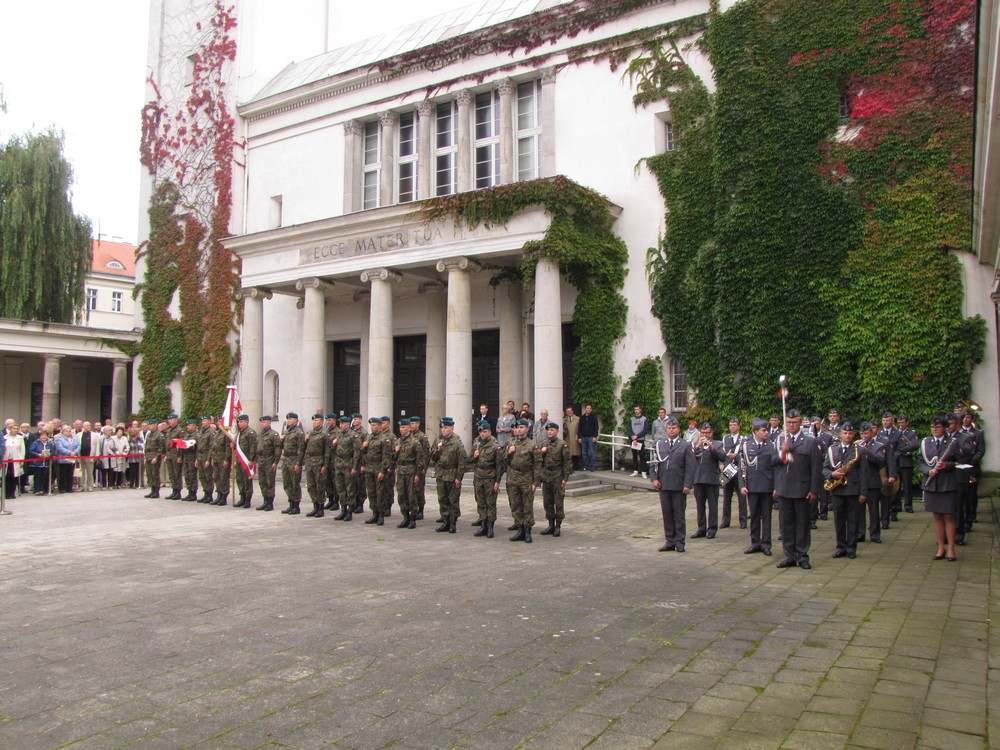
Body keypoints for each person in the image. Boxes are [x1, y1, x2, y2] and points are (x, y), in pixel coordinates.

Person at [773, 409, 823, 570]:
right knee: (786, 524)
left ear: (800, 423)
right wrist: (783, 451)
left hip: (802, 489)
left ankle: (802, 555)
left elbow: (816, 468)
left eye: (794, 423)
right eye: (788, 423)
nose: (791, 425)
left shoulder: (810, 442)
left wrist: (814, 490)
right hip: (784, 488)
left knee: (802, 524)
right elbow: (772, 463)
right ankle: (789, 555)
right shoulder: (780, 440)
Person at [918, 414, 963, 561]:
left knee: (949, 516)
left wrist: (947, 465)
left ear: (944, 428)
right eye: (932, 427)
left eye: (937, 427)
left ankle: (951, 549)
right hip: (932, 484)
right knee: (937, 516)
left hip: (947, 484)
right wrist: (928, 471)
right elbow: (921, 462)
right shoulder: (926, 442)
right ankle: (940, 548)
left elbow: (960, 461)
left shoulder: (952, 442)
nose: (934, 430)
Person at [649, 416, 695, 552]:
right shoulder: (660, 444)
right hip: (664, 485)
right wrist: (654, 479)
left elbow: (690, 467)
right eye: (669, 428)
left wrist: (688, 484)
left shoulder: (685, 445)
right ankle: (669, 540)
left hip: (679, 486)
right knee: (667, 514)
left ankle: (680, 541)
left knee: (679, 515)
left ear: (679, 429)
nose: (671, 430)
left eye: (673, 428)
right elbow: (653, 464)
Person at [822, 422, 864, 559]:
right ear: (840, 434)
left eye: (850, 433)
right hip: (837, 489)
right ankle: (840, 546)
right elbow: (825, 468)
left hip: (852, 489)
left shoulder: (858, 450)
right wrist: (832, 475)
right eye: (845, 433)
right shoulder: (832, 449)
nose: (848, 436)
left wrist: (863, 492)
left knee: (852, 520)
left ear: (854, 435)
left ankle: (851, 548)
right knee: (838, 520)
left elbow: (864, 473)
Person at [738, 418, 778, 556]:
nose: (766, 432)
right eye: (763, 430)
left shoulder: (771, 446)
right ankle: (755, 542)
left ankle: (766, 544)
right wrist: (742, 485)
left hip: (767, 485)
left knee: (766, 517)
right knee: (754, 515)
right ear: (756, 432)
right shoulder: (746, 446)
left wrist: (775, 487)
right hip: (752, 485)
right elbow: (742, 467)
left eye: (767, 430)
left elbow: (775, 468)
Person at [690, 422, 727, 540]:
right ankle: (701, 528)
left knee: (713, 506)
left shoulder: (718, 444)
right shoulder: (696, 444)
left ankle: (712, 529)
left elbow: (723, 457)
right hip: (698, 479)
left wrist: (712, 448)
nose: (705, 435)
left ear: (712, 433)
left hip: (711, 479)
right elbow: (690, 457)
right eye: (703, 433)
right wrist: (697, 446)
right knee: (700, 506)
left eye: (707, 433)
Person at [505, 418, 540, 542]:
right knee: (515, 505)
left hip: (526, 478)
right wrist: (508, 453)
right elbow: (505, 462)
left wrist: (535, 482)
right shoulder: (511, 443)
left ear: (527, 429)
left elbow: (537, 465)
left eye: (521, 427)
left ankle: (527, 531)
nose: (518, 430)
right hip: (513, 478)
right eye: (517, 428)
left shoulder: (532, 445)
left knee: (527, 506)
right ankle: (519, 529)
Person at [430, 416, 466, 533]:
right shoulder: (438, 440)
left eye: (446, 428)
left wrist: (459, 478)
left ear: (451, 428)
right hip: (441, 474)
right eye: (442, 428)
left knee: (453, 500)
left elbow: (462, 461)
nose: (443, 430)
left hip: (452, 474)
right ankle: (445, 521)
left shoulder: (457, 442)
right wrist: (438, 449)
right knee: (442, 499)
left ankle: (453, 523)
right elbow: (433, 458)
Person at [471, 420, 504, 538]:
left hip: (490, 477)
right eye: (481, 432)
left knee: (490, 503)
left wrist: (497, 481)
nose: (482, 434)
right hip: (479, 476)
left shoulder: (495, 446)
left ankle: (490, 526)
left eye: (485, 432)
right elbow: (471, 460)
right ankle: (483, 524)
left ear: (489, 432)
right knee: (481, 502)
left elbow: (500, 465)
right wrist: (474, 457)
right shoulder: (477, 444)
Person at [539, 421, 572, 537]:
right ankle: (550, 524)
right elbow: (538, 461)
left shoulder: (562, 445)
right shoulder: (543, 444)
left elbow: (567, 463)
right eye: (548, 430)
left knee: (558, 502)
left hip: (557, 476)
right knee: (547, 502)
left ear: (557, 431)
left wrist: (565, 479)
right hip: (546, 476)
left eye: (552, 430)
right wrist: (541, 453)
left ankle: (558, 526)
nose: (550, 432)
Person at [857, 422, 888, 544]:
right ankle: (860, 533)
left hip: (873, 481)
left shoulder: (879, 445)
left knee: (874, 510)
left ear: (871, 432)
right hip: (860, 482)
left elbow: (880, 461)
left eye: (866, 433)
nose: (864, 435)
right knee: (859, 510)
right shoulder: (857, 445)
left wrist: (866, 452)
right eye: (862, 433)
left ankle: (875, 534)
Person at [394, 419, 427, 529]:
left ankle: (413, 517)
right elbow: (392, 458)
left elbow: (420, 460)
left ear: (409, 428)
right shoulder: (398, 441)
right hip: (400, 472)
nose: (401, 429)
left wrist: (418, 475)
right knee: (401, 495)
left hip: (411, 471)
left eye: (404, 427)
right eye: (400, 427)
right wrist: (396, 452)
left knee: (411, 495)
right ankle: (405, 517)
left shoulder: (415, 442)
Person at [331, 416, 361, 521]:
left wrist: (355, 467)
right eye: (340, 424)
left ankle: (349, 510)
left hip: (349, 464)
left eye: (342, 424)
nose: (340, 425)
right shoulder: (339, 435)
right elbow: (334, 451)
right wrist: (334, 444)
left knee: (350, 489)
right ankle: (343, 509)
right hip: (339, 465)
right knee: (340, 488)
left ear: (348, 424)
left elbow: (357, 453)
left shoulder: (353, 436)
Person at [960, 409, 985, 530]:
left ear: (971, 419)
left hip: (973, 467)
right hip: (961, 467)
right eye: (964, 417)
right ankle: (963, 518)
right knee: (962, 494)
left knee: (971, 494)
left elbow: (981, 450)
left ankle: (971, 516)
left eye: (968, 417)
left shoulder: (978, 433)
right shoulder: (958, 432)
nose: (966, 419)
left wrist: (972, 461)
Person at [876, 412, 901, 524]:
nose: (885, 422)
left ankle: (891, 514)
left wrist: (892, 474)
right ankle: (881, 518)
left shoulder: (896, 433)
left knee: (890, 493)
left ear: (892, 421)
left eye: (887, 420)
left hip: (891, 466)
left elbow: (899, 449)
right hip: (876, 471)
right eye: (884, 420)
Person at [304, 413, 330, 518]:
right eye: (314, 420)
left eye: (317, 420)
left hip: (319, 461)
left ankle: (320, 507)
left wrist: (325, 465)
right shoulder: (310, 433)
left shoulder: (324, 434)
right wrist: (305, 440)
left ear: (322, 422)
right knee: (311, 485)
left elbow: (327, 451)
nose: (315, 422)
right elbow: (305, 448)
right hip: (310, 462)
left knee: (320, 486)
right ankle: (315, 506)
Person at [721, 418, 745, 529]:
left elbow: (744, 454)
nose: (732, 426)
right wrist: (721, 464)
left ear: (738, 426)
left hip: (738, 469)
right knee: (726, 496)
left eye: (734, 424)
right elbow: (722, 453)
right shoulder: (725, 438)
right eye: (731, 425)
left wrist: (737, 456)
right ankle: (725, 521)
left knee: (742, 497)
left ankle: (743, 520)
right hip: (728, 469)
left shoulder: (743, 439)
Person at [255, 415, 283, 511]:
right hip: (261, 460)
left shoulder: (273, 434)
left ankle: (270, 503)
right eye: (261, 422)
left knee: (269, 482)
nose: (262, 424)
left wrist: (275, 462)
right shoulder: (260, 434)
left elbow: (278, 449)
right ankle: (265, 501)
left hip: (269, 460)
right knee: (262, 482)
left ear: (269, 423)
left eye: (264, 422)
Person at [280, 412, 305, 514]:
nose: (289, 421)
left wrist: (298, 463)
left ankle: (296, 505)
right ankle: (290, 503)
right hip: (286, 460)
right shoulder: (287, 432)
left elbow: (300, 449)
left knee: (295, 483)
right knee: (287, 483)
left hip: (294, 459)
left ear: (295, 420)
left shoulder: (299, 432)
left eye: (291, 419)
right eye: (288, 419)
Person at [895, 414, 919, 514]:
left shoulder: (911, 433)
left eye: (903, 422)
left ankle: (908, 505)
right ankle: (897, 505)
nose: (901, 424)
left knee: (907, 485)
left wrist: (902, 449)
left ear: (907, 423)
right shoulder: (895, 433)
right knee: (896, 486)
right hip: (896, 462)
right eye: (899, 423)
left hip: (906, 462)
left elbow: (915, 444)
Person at [234, 414, 258, 508]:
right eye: (239, 422)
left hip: (247, 460)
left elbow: (253, 447)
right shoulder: (239, 433)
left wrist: (252, 460)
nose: (239, 423)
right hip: (239, 460)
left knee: (247, 479)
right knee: (240, 479)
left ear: (247, 422)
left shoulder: (250, 432)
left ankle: (248, 499)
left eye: (241, 421)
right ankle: (242, 497)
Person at [409, 416, 430, 520]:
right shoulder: (409, 436)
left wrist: (424, 467)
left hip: (419, 467)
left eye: (413, 423)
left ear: (418, 424)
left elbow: (426, 454)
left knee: (419, 490)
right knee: (412, 490)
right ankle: (413, 509)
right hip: (411, 468)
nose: (411, 425)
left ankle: (421, 510)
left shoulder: (422, 437)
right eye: (410, 424)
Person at [209, 416, 232, 505]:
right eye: (218, 421)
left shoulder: (226, 433)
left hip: (223, 459)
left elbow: (228, 448)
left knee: (223, 478)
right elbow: (213, 448)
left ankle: (224, 496)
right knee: (217, 478)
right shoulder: (217, 433)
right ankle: (219, 494)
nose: (219, 423)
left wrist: (226, 459)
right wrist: (212, 458)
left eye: (220, 421)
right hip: (216, 459)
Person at [143, 421, 167, 498]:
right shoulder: (149, 434)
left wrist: (157, 457)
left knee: (155, 474)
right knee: (149, 474)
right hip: (148, 457)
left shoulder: (159, 435)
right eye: (149, 425)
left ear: (155, 425)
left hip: (154, 457)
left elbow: (161, 448)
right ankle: (152, 490)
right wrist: (145, 457)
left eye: (151, 425)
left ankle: (156, 491)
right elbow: (146, 447)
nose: (149, 426)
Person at [54, 425, 79, 493]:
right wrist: (69, 452)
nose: (68, 432)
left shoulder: (74, 439)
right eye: (66, 431)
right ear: (62, 432)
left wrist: (74, 452)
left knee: (70, 474)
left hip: (72, 459)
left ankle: (69, 488)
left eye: (69, 431)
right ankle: (62, 488)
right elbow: (60, 448)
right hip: (63, 459)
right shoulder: (60, 439)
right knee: (63, 474)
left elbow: (78, 446)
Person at [27, 429, 54, 495]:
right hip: (38, 463)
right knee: (38, 477)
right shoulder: (36, 443)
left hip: (46, 463)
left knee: (45, 477)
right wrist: (38, 454)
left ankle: (44, 489)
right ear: (39, 436)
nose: (44, 437)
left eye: (45, 435)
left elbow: (53, 451)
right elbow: (31, 450)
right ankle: (38, 490)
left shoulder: (49, 443)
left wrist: (50, 454)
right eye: (42, 436)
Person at [196, 415, 216, 502]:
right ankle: (205, 493)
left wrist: (208, 459)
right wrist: (197, 458)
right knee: (202, 476)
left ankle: (209, 494)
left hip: (206, 456)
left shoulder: (211, 432)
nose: (202, 422)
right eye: (202, 421)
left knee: (208, 476)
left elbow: (211, 447)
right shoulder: (201, 431)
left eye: (204, 421)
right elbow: (198, 446)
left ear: (209, 421)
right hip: (200, 456)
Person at [164, 413, 184, 499]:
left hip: (176, 455)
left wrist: (180, 456)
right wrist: (166, 455)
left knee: (177, 474)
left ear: (176, 420)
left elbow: (182, 444)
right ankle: (174, 490)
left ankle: (178, 491)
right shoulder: (169, 431)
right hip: (169, 455)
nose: (170, 421)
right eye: (169, 419)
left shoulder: (179, 431)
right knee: (171, 474)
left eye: (171, 419)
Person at [3, 423, 25, 499]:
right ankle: (6, 493)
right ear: (10, 429)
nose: (15, 430)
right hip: (7, 460)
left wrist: (22, 460)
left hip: (16, 460)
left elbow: (22, 450)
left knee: (14, 476)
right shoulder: (5, 437)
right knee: (6, 476)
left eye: (16, 428)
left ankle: (12, 493)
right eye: (13, 428)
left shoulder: (20, 438)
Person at [628, 405, 649, 478]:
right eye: (635, 409)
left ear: (640, 410)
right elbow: (629, 429)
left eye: (637, 409)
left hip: (640, 440)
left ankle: (643, 472)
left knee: (642, 456)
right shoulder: (631, 419)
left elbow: (645, 430)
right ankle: (635, 471)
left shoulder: (644, 419)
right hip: (633, 440)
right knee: (634, 456)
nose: (636, 411)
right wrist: (633, 437)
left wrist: (637, 436)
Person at [579, 403, 599, 472]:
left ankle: (593, 467)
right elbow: (579, 428)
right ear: (585, 409)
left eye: (590, 408)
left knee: (592, 452)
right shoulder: (582, 417)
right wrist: (579, 437)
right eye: (587, 408)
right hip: (583, 437)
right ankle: (585, 466)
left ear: (591, 409)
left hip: (591, 437)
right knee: (584, 452)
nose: (588, 409)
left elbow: (596, 427)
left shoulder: (594, 417)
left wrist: (595, 436)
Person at [563, 406, 581, 471]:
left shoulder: (578, 419)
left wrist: (579, 437)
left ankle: (576, 466)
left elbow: (580, 429)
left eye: (570, 411)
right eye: (568, 411)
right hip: (568, 438)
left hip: (575, 437)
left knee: (575, 451)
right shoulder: (564, 420)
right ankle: (570, 467)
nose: (569, 412)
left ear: (572, 411)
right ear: (566, 413)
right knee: (569, 452)